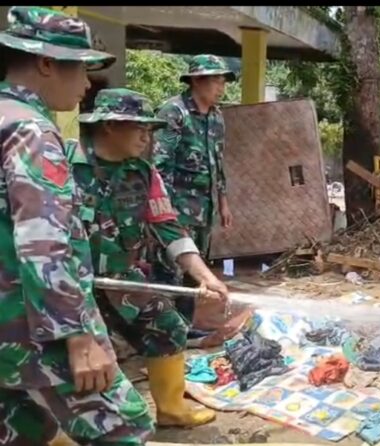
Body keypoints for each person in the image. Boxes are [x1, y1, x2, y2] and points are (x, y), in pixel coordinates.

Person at [0, 6, 155, 445]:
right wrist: (77, 336)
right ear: (46, 63)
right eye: (82, 70)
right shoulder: (31, 129)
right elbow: (42, 242)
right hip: (32, 326)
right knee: (124, 427)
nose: (88, 84)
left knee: (21, 431)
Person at [70, 88, 231, 428]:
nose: (147, 136)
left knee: (168, 326)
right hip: (69, 286)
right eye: (139, 127)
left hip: (123, 278)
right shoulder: (66, 165)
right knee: (81, 358)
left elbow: (168, 227)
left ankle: (172, 409)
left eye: (150, 129)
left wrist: (205, 276)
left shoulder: (144, 173)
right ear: (111, 126)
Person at [152, 54, 235, 323]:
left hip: (204, 207)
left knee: (195, 272)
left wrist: (223, 202)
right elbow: (159, 167)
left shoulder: (216, 117)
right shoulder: (173, 113)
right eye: (216, 82)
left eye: (224, 82)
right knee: (170, 270)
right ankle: (166, 329)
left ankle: (184, 327)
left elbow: (218, 162)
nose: (221, 88)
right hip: (176, 209)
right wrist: (167, 214)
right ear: (197, 81)